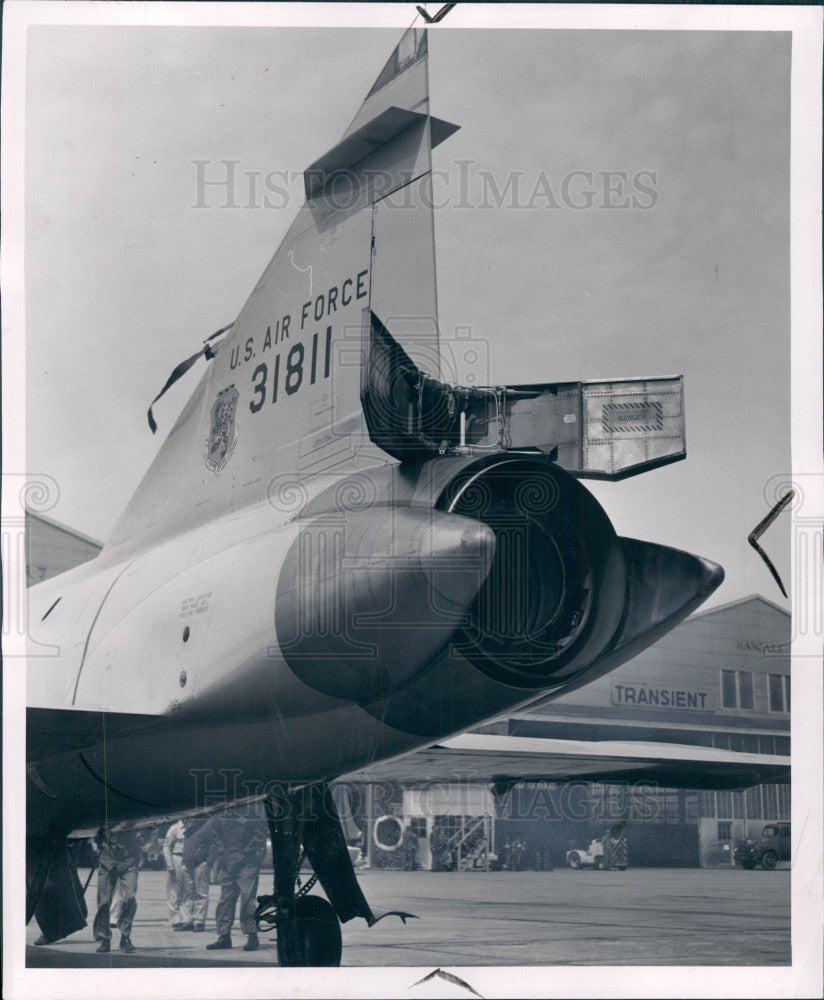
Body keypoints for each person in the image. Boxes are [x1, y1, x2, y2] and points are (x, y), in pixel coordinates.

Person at [201, 813, 267, 951]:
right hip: (228, 862)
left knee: (247, 900)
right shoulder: (219, 815)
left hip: (247, 862)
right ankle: (224, 937)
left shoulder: (251, 812)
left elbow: (260, 834)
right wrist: (223, 851)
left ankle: (252, 936)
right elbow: (215, 835)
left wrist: (245, 853)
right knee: (225, 900)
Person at [92, 826, 141, 953]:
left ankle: (125, 937)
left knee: (130, 898)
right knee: (104, 902)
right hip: (107, 861)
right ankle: (104, 939)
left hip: (128, 861)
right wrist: (98, 842)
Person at [180, 814, 212, 932]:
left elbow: (213, 844)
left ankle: (199, 921)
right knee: (186, 894)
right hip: (187, 863)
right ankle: (186, 920)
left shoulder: (207, 826)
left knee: (201, 893)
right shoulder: (188, 828)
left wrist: (209, 860)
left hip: (201, 863)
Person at [163, 818, 188, 929]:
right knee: (174, 890)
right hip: (176, 857)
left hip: (189, 860)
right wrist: (169, 864)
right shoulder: (175, 828)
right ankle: (174, 919)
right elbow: (167, 846)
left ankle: (185, 918)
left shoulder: (193, 826)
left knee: (187, 891)